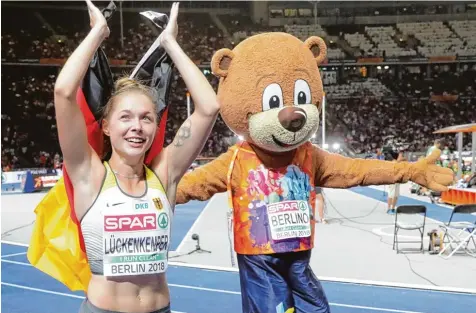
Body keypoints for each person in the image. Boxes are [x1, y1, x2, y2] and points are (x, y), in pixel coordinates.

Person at [53, 2, 219, 313]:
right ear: (106, 125)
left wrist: (170, 42)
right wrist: (98, 33)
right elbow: (63, 92)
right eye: (125, 117)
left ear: (156, 126)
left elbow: (208, 107)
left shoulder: (164, 175)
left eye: (146, 118)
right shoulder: (89, 175)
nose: (136, 127)